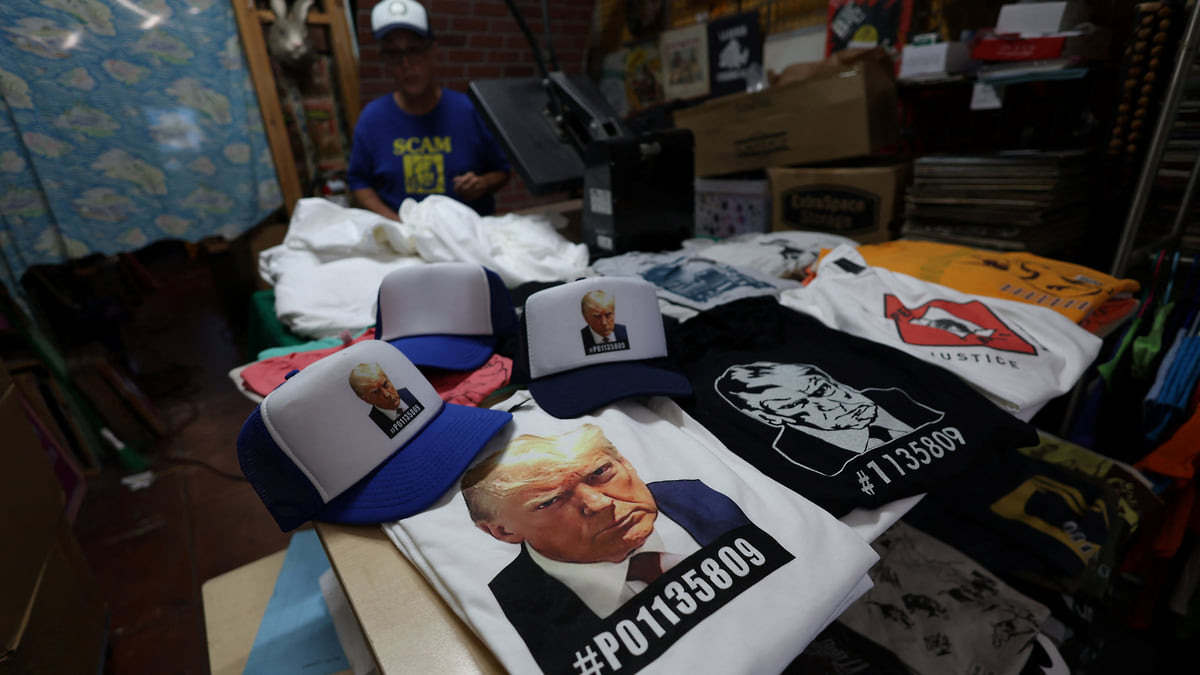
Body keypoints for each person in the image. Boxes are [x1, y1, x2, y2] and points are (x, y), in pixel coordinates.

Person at [461, 423, 751, 665]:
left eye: (600, 473)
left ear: (625, 463)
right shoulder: (508, 609)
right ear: (503, 531)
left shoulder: (700, 499)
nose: (599, 503)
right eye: (551, 501)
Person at [347, 0, 511, 221]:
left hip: (466, 233)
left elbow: (503, 171)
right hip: (401, 235)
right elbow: (359, 181)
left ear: (433, 52)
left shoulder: (469, 110)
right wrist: (397, 225)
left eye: (415, 50)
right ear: (384, 61)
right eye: (394, 54)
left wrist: (482, 183)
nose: (406, 64)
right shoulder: (372, 118)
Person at [714, 361, 943, 477]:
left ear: (830, 379)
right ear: (769, 418)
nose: (833, 405)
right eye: (793, 405)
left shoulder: (894, 397)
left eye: (822, 389)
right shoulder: (795, 457)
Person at [348, 362, 420, 438]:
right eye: (376, 392)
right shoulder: (373, 427)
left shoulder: (412, 393)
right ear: (366, 399)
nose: (387, 394)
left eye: (385, 384)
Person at [579, 289, 629, 354]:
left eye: (608, 315)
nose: (604, 322)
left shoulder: (625, 333)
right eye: (597, 316)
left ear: (614, 313)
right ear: (586, 318)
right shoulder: (579, 340)